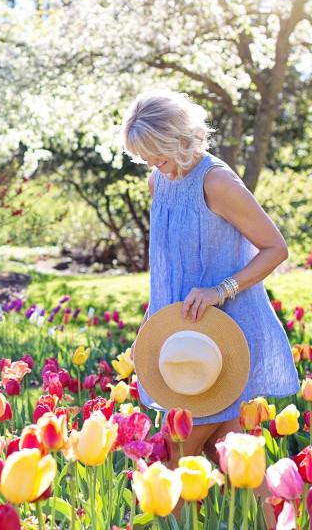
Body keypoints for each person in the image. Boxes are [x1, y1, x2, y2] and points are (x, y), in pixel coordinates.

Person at [121, 89, 299, 519]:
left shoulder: (217, 181)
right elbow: (168, 265)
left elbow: (275, 248)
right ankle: (284, 522)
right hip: (181, 337)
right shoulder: (158, 181)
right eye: (142, 156)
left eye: (156, 154)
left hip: (222, 339)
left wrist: (220, 290)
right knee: (236, 452)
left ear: (182, 140)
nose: (150, 164)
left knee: (171, 459)